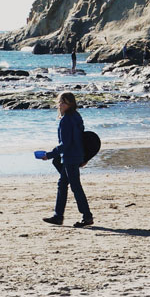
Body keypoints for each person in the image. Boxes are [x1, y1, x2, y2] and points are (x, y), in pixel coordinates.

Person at [41, 92, 93, 228]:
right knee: (62, 185)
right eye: (60, 102)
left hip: (70, 157)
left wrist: (50, 155)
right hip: (74, 156)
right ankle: (58, 216)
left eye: (64, 102)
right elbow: (81, 139)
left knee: (75, 187)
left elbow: (66, 144)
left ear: (70, 104)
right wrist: (84, 156)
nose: (61, 104)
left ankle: (87, 216)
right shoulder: (76, 116)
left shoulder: (66, 120)